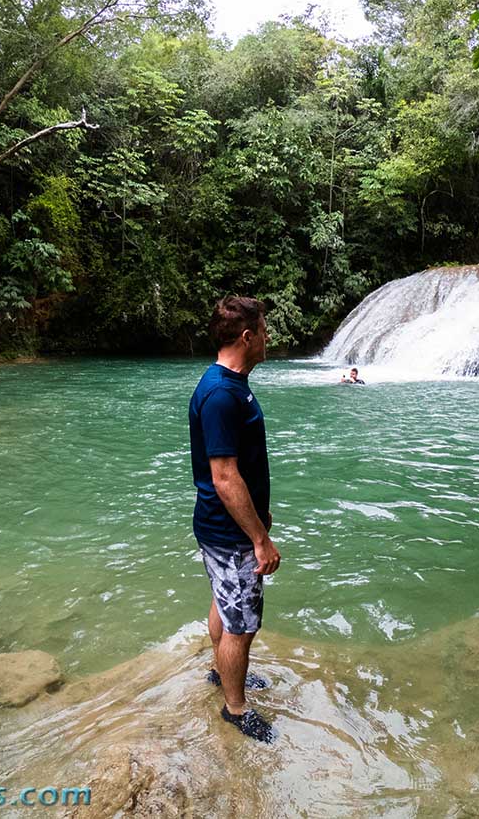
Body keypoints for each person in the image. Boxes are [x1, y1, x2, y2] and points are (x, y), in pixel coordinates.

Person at [188, 296, 281, 742]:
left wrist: (259, 510)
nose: (268, 338)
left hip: (220, 526)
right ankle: (235, 707)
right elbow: (224, 477)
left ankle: (219, 673)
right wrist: (259, 538)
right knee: (242, 624)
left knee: (224, 602)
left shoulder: (226, 383)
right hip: (230, 532)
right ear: (247, 337)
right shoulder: (222, 394)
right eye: (263, 330)